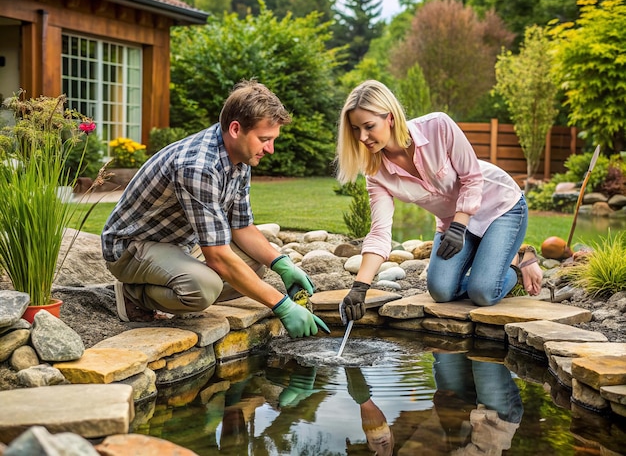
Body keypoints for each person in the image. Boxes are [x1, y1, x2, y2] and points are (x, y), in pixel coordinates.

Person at [101, 79, 329, 338]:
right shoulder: (198, 166)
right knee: (203, 288)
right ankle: (135, 295)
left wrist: (283, 264)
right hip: (133, 248)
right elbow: (218, 257)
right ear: (235, 129)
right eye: (264, 139)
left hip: (177, 245)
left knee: (257, 264)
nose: (271, 149)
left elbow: (241, 226)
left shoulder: (240, 158)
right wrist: (282, 306)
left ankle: (176, 284)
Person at [335, 80, 543, 323]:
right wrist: (360, 287)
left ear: (389, 117)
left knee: (483, 292)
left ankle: (518, 262)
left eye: (369, 126)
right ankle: (494, 261)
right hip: (452, 223)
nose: (362, 137)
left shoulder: (437, 126)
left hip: (500, 206)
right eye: (355, 129)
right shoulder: (376, 172)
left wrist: (459, 226)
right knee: (441, 291)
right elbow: (380, 231)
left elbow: (472, 178)